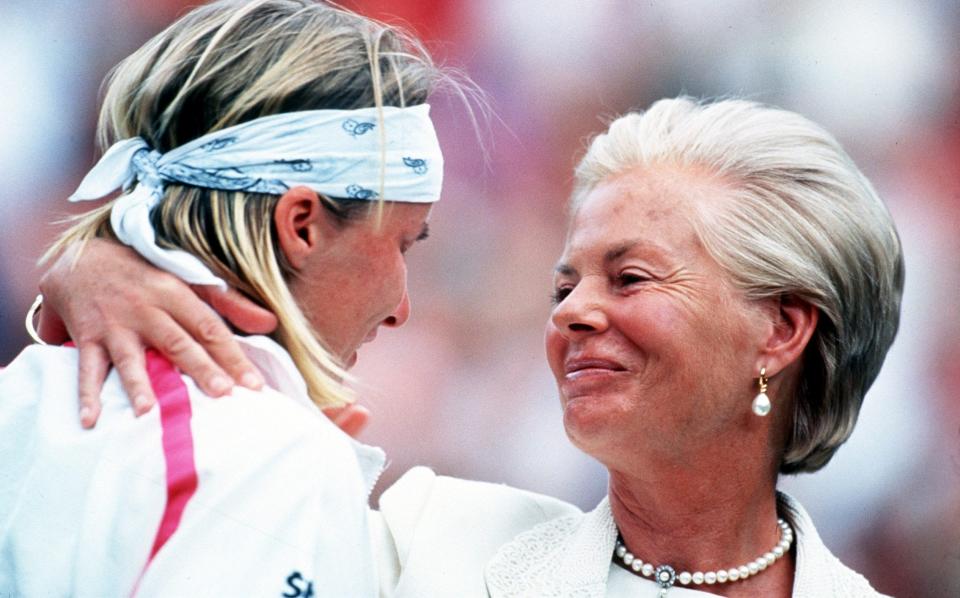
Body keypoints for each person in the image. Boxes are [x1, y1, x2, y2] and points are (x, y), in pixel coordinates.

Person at [37, 97, 901, 597]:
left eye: (629, 279)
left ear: (781, 330)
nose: (572, 314)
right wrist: (99, 263)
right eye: (565, 286)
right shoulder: (431, 539)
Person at [0, 0, 453, 595]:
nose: (401, 307)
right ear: (302, 226)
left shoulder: (22, 392)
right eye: (402, 244)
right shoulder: (272, 453)